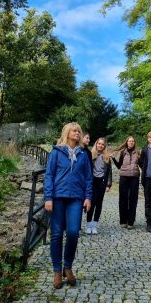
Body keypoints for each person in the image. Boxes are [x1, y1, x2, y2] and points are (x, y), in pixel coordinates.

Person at [44, 122, 92, 289]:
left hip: (76, 199)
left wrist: (88, 197)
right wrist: (48, 197)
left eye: (78, 130)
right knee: (56, 234)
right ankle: (57, 270)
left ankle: (68, 267)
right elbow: (49, 175)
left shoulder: (84, 154)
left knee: (72, 233)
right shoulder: (56, 152)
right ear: (66, 133)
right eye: (74, 130)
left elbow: (88, 177)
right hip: (58, 198)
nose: (77, 133)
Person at [112, 136, 140, 229]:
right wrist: (113, 159)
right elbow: (119, 166)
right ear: (127, 142)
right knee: (123, 198)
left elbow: (142, 164)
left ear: (134, 142)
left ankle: (131, 221)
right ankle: (123, 220)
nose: (131, 142)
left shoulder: (138, 153)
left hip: (134, 178)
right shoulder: (123, 152)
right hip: (124, 177)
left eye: (132, 141)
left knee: (133, 199)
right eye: (129, 141)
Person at [86, 137, 112, 235]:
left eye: (102, 144)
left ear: (104, 146)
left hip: (102, 181)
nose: (100, 146)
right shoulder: (90, 155)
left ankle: (94, 225)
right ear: (96, 144)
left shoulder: (107, 157)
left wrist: (108, 184)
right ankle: (88, 225)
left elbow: (109, 172)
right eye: (99, 144)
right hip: (92, 181)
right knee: (91, 202)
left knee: (99, 203)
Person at [139, 131, 151, 232]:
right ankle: (149, 223)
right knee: (147, 201)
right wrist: (145, 169)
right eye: (150, 137)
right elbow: (140, 162)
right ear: (148, 139)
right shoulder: (144, 150)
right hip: (147, 178)